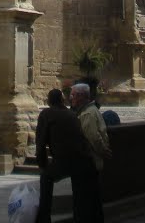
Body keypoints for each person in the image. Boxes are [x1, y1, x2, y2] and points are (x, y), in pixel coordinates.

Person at [35, 88, 101, 223]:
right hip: (84, 160)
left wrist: (42, 165)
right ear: (62, 100)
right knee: (79, 188)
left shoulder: (46, 114)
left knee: (46, 178)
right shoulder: (71, 114)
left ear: (48, 101)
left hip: (66, 160)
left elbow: (40, 144)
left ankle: (43, 218)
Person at [69, 82, 111, 222]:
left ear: (81, 97)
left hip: (88, 163)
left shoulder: (87, 114)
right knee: (92, 199)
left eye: (73, 95)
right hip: (90, 162)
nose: (70, 98)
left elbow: (93, 137)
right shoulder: (92, 110)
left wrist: (103, 151)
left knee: (85, 200)